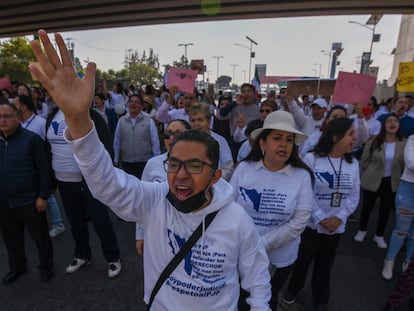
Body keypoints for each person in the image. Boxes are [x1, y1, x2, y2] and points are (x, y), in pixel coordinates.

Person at [30, 29, 272, 310]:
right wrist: (78, 119)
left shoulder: (237, 219)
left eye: (194, 166)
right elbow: (106, 184)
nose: (181, 174)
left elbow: (257, 279)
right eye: (174, 164)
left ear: (216, 176)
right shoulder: (155, 200)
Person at [230, 111, 314, 310]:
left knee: (268, 298)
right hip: (241, 252)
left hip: (280, 257)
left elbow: (300, 221)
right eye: (277, 138)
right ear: (262, 143)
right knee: (240, 297)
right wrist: (245, 244)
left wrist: (261, 244)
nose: (284, 144)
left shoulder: (302, 176)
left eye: (289, 139)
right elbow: (229, 208)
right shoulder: (244, 168)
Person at [284, 118, 360, 311]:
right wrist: (321, 218)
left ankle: (321, 298)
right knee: (302, 262)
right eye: (351, 134)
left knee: (325, 265)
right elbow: (305, 191)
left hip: (336, 227)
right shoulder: (312, 159)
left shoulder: (353, 164)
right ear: (336, 137)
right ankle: (293, 289)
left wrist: (339, 218)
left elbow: (353, 196)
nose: (355, 138)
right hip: (311, 225)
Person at [46, 105, 122, 278]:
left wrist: (106, 175)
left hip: (90, 181)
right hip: (64, 181)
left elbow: (106, 144)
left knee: (101, 220)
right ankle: (82, 255)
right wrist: (51, 180)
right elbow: (48, 148)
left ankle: (113, 257)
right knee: (75, 222)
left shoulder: (89, 114)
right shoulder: (52, 116)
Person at [0, 101, 54, 284]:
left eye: (7, 116)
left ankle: (46, 267)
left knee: (41, 238)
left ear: (17, 118)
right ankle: (18, 267)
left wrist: (43, 196)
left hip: (30, 201)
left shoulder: (32, 140)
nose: (2, 120)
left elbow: (44, 169)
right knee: (12, 239)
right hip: (5, 203)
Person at [136, 119, 191, 256]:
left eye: (178, 134)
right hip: (157, 230)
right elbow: (142, 202)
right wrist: (140, 235)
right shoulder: (152, 164)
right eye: (168, 134)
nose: (172, 138)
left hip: (189, 230)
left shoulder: (198, 165)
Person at [13, 95, 66, 238]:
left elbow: (49, 145)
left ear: (23, 107)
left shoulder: (40, 123)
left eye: (15, 103)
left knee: (47, 195)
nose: (12, 105)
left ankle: (58, 223)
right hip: (26, 168)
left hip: (41, 165)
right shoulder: (18, 124)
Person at [354, 113, 406, 248]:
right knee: (367, 207)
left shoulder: (403, 143)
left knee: (385, 210)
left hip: (391, 181)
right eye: (389, 121)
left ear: (399, 125)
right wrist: (366, 174)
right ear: (384, 125)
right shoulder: (375, 141)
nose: (392, 123)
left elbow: (404, 164)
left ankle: (379, 235)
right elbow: (365, 160)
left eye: (395, 121)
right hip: (373, 178)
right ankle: (362, 230)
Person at [382, 134, 414, 280]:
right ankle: (390, 260)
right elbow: (411, 163)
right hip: (408, 189)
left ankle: (408, 263)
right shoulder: (413, 139)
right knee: (401, 229)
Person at [113, 94, 160, 179]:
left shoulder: (149, 121)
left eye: (137, 102)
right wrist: (116, 160)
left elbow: (155, 142)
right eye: (131, 102)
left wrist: (156, 160)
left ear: (142, 106)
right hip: (127, 161)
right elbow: (117, 142)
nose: (133, 104)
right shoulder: (121, 121)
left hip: (145, 162)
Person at [189, 102, 234, 181]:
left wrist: (210, 178)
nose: (196, 124)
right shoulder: (186, 142)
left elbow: (228, 169)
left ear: (209, 121)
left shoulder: (220, 141)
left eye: (200, 120)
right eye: (193, 121)